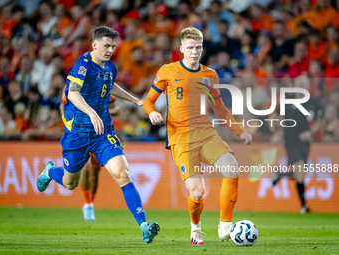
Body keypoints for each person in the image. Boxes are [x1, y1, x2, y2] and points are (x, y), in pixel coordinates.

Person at [36, 26, 159, 244]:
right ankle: (49, 172)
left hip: (103, 132)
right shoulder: (83, 65)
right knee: (70, 182)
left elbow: (112, 87)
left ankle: (144, 226)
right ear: (94, 45)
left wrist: (136, 100)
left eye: (113, 46)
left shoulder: (110, 67)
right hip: (77, 133)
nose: (110, 50)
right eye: (106, 45)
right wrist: (92, 112)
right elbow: (72, 93)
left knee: (123, 173)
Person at [143, 27, 252, 245]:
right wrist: (152, 112)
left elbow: (219, 108)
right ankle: (195, 228)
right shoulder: (168, 71)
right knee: (198, 192)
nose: (194, 52)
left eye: (198, 48)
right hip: (180, 138)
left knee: (232, 168)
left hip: (205, 133)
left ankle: (225, 227)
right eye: (190, 48)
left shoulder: (209, 75)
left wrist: (240, 131)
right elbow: (148, 101)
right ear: (181, 48)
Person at [60, 87, 120, 222]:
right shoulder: (73, 84)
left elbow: (116, 109)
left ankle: (90, 203)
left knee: (95, 173)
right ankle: (87, 205)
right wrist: (67, 122)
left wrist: (98, 112)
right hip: (80, 134)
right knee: (86, 170)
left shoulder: (103, 83)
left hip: (100, 134)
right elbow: (63, 105)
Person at [271, 76, 323, 214]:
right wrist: (278, 131)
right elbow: (275, 118)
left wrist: (310, 132)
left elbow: (320, 118)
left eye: (303, 83)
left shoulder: (312, 103)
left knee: (300, 174)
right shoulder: (287, 102)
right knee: (299, 170)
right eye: (298, 83)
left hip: (305, 142)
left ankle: (282, 174)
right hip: (291, 140)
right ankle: (304, 206)